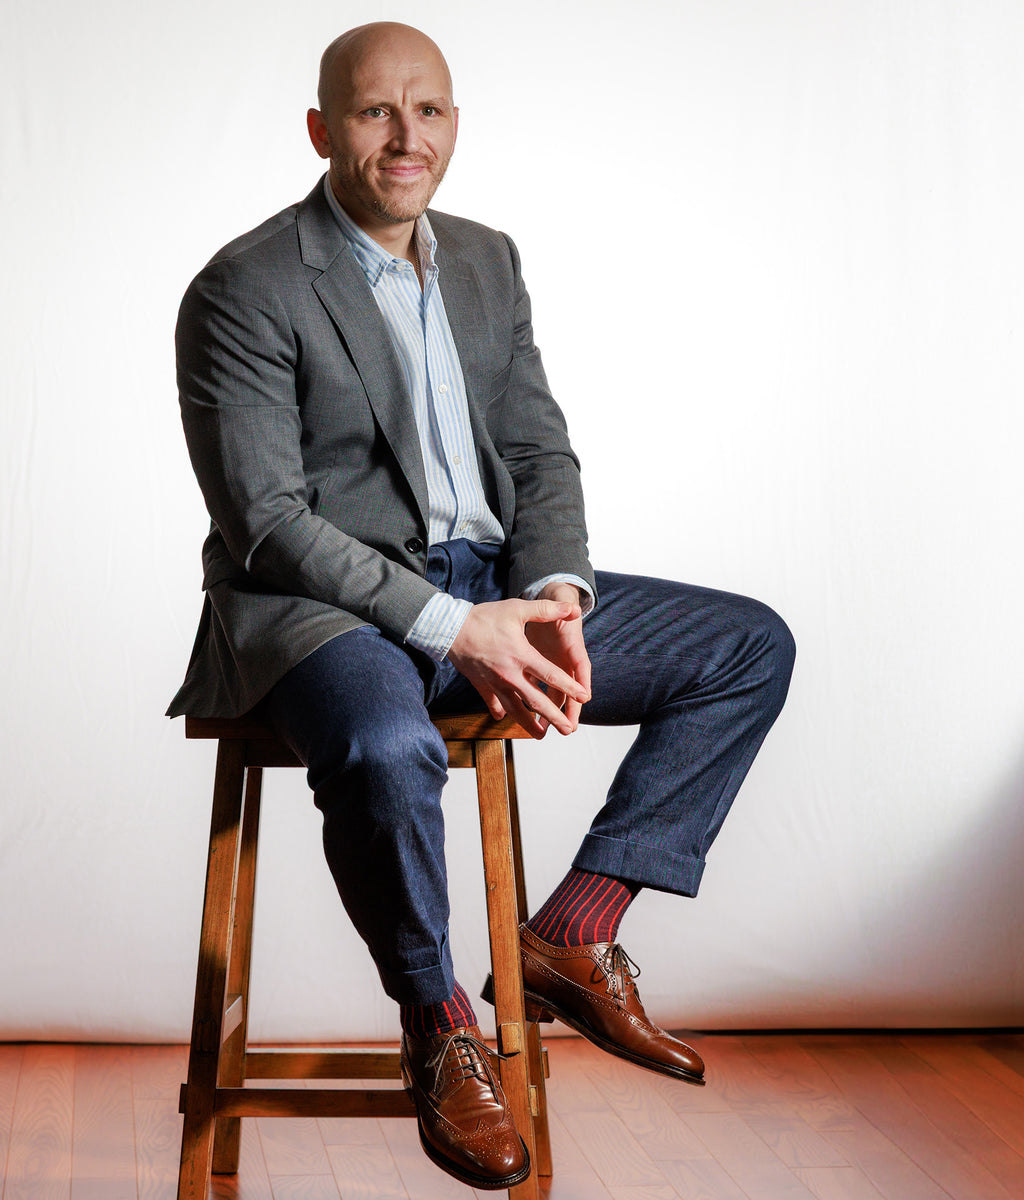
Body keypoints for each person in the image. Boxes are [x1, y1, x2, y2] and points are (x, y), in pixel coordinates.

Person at [169, 21, 794, 1190]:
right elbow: (268, 522)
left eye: (432, 112)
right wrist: (457, 627)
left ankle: (572, 931)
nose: (408, 139)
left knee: (746, 647)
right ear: (321, 130)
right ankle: (440, 1018)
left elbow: (538, 451)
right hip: (321, 616)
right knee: (385, 742)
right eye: (374, 113)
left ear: (455, 125)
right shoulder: (243, 287)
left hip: (497, 591)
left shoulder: (487, 259)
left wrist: (551, 594)